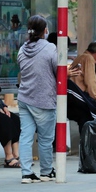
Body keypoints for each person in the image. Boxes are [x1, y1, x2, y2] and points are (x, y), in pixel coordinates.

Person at [17, 15, 58, 183]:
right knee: (45, 139)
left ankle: (26, 173)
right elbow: (58, 70)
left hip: (24, 98)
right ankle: (46, 171)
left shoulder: (22, 49)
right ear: (45, 30)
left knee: (25, 136)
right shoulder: (50, 48)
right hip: (44, 99)